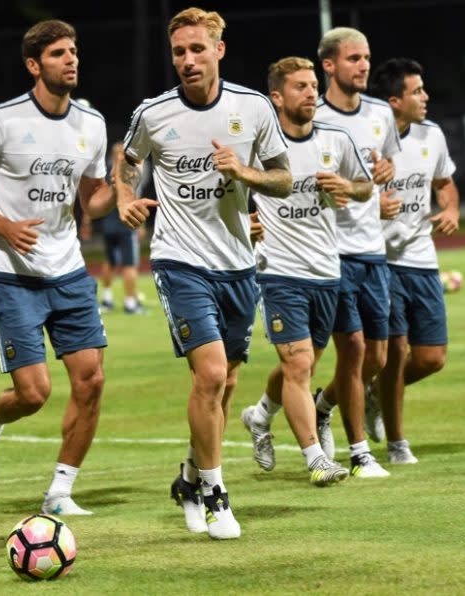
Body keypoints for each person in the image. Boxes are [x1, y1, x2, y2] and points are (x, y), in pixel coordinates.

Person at [115, 7, 292, 539]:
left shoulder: (253, 108)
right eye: (178, 52)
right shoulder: (153, 113)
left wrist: (245, 172)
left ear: (219, 50)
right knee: (210, 375)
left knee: (226, 383)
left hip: (238, 264)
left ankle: (190, 477)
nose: (187, 60)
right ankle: (216, 495)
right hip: (178, 260)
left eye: (197, 49)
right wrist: (125, 193)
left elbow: (283, 180)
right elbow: (127, 160)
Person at [0, 19, 115, 516]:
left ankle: (60, 492)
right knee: (33, 393)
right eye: (58, 54)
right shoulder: (1, 120)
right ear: (34, 65)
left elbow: (92, 198)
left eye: (73, 51)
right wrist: (1, 228)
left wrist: (124, 191)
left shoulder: (91, 125)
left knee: (91, 381)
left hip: (68, 267)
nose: (70, 60)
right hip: (13, 270)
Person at [239, 57, 373, 486]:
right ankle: (316, 459)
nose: (312, 93)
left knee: (306, 364)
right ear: (277, 96)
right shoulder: (260, 147)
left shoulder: (336, 139)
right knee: (297, 364)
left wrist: (347, 188)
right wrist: (247, 222)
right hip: (279, 271)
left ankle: (260, 415)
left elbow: (365, 185)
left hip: (326, 271)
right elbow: (224, 193)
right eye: (300, 86)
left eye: (314, 85)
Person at [311, 27, 401, 478]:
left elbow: (384, 167)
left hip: (373, 250)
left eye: (366, 57)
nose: (364, 65)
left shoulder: (381, 113)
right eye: (353, 58)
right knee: (353, 350)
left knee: (378, 359)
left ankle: (321, 404)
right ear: (329, 65)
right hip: (332, 252)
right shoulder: (315, 117)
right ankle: (360, 452)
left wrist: (385, 176)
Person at [366, 58, 460, 463]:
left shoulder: (431, 135)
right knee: (396, 349)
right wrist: (372, 207)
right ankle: (397, 444)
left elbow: (445, 183)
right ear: (394, 101)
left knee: (430, 358)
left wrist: (451, 210)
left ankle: (371, 394)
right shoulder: (366, 140)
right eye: (416, 91)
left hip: (422, 256)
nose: (425, 97)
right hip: (380, 258)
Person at [96, 141, 146, 314]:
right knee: (129, 265)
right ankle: (131, 303)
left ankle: (107, 300)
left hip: (107, 225)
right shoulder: (129, 170)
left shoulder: (104, 171)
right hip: (126, 224)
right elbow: (134, 198)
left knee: (109, 262)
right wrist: (140, 225)